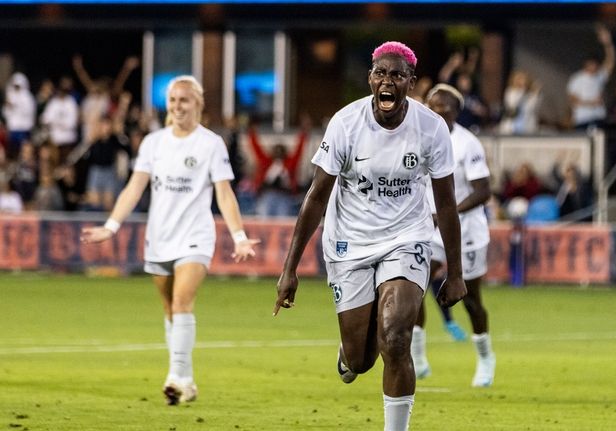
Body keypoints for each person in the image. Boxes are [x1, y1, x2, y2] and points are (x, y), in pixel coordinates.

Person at [273, 42, 466, 431]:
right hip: (350, 243)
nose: (387, 81)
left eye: (397, 75)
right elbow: (315, 199)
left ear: (410, 82)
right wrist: (289, 270)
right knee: (361, 361)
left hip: (406, 237)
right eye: (381, 73)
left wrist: (456, 272)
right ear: (370, 79)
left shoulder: (432, 128)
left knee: (395, 337)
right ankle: (349, 354)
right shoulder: (346, 123)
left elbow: (445, 204)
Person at [80, 76, 258, 406]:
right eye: (173, 100)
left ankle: (175, 376)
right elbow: (134, 187)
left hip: (195, 236)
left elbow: (224, 193)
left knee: (181, 301)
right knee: (168, 309)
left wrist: (239, 236)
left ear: (198, 104)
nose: (177, 106)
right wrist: (111, 226)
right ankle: (186, 381)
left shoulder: (210, 144)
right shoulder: (153, 143)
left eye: (184, 100)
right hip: (160, 236)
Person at [411, 83, 496, 387]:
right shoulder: (418, 139)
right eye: (431, 107)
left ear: (456, 112)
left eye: (443, 108)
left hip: (465, 229)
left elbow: (484, 191)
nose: (435, 112)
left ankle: (485, 358)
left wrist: (449, 213)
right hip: (428, 229)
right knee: (413, 286)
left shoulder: (467, 144)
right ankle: (417, 358)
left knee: (471, 300)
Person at [567, 24, 615, 129]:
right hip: (582, 119)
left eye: (596, 65)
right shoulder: (576, 79)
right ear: (586, 64)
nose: (594, 67)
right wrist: (591, 103)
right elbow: (573, 100)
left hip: (598, 118)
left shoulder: (599, 77)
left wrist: (608, 44)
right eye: (592, 64)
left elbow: (610, 62)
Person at [2, 72, 36, 160]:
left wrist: (15, 105)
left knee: (24, 153)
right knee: (12, 153)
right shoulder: (10, 96)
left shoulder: (28, 98)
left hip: (23, 130)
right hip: (12, 130)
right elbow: (6, 114)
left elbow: (29, 113)